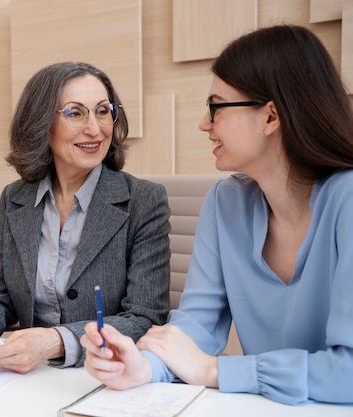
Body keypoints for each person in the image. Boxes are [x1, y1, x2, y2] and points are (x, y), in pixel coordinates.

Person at [81, 24, 353, 405]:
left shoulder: (348, 199)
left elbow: (348, 372)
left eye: (216, 107)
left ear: (271, 117)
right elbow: (196, 326)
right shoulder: (225, 203)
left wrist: (214, 370)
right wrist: (143, 366)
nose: (204, 124)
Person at [0, 62, 171, 373]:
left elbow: (145, 318)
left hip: (105, 377)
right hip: (27, 377)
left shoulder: (143, 201)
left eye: (103, 111)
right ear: (40, 123)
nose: (95, 128)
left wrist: (56, 341)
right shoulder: (15, 198)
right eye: (75, 113)